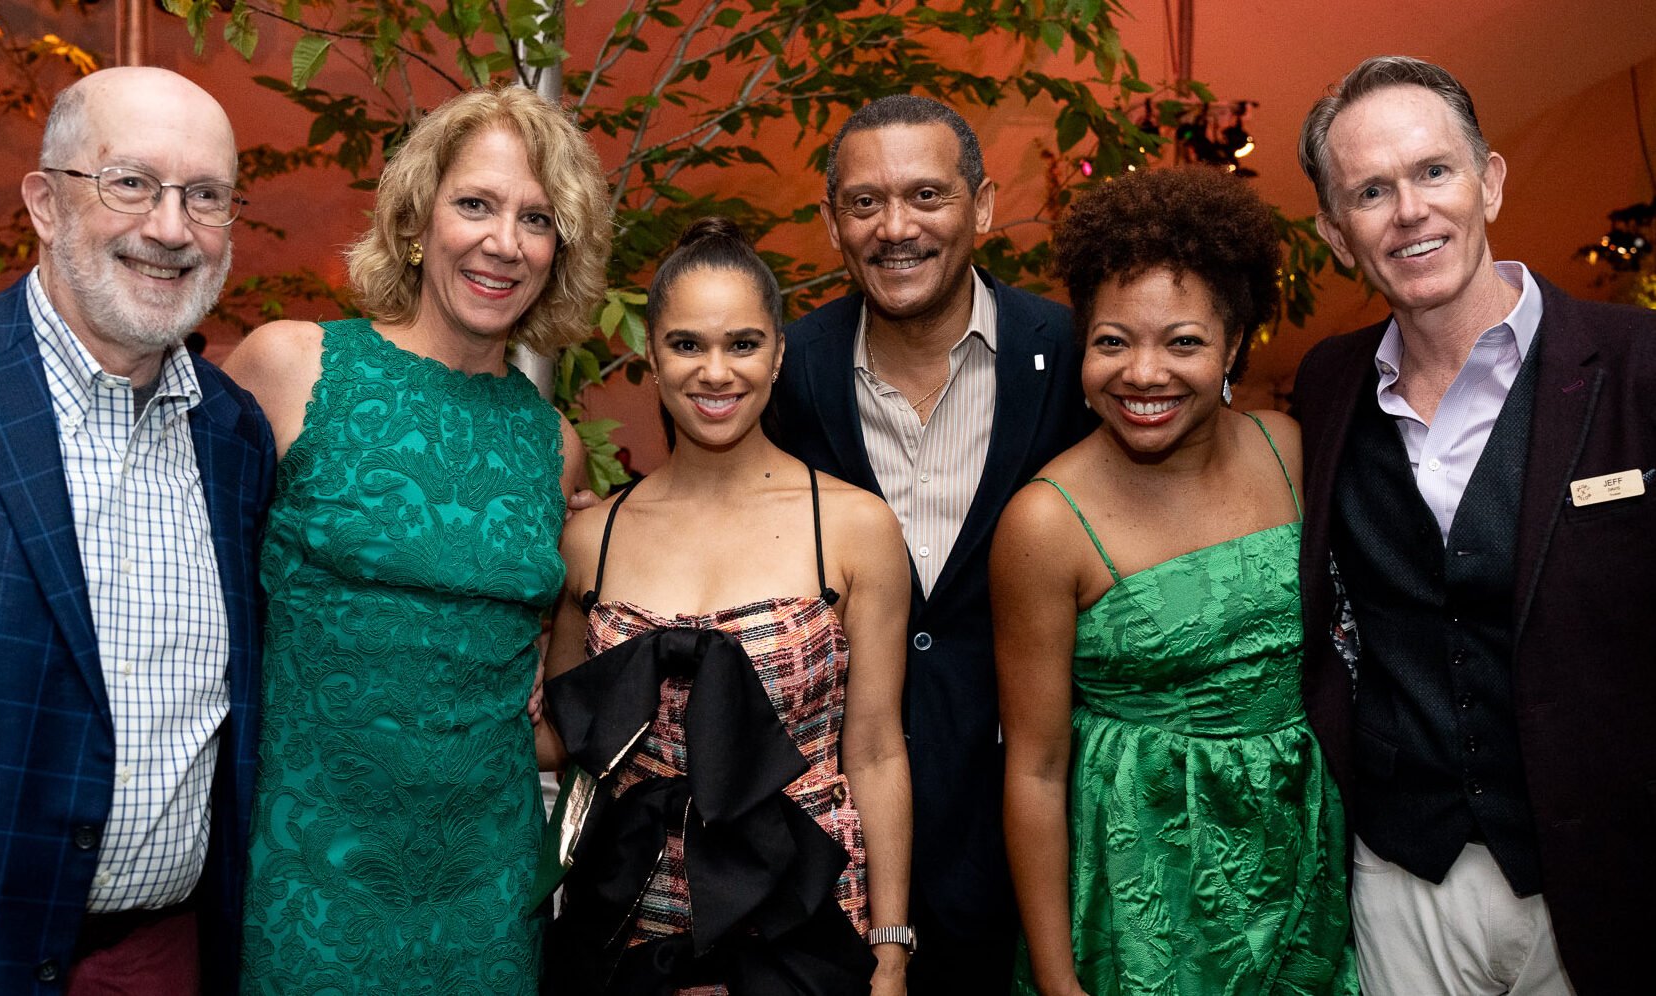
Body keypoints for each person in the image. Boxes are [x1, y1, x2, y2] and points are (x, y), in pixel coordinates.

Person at [0, 67, 274, 993]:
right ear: (45, 204)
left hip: (162, 960)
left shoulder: (233, 438)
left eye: (205, 197)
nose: (171, 229)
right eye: (130, 182)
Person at [224, 85, 609, 993]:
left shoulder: (551, 446)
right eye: (474, 203)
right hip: (303, 872)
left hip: (485, 887)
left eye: (536, 219)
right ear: (414, 219)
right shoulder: (289, 367)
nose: (502, 242)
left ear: (560, 253)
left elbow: (560, 690)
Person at [1292, 55, 1656, 996]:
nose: (1409, 210)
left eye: (1433, 171)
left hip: (1605, 877)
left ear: (1488, 179)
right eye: (1370, 191)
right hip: (1401, 880)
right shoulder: (1326, 390)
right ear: (1337, 234)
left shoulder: (1637, 367)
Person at [993, 166, 1356, 996]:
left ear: (1234, 345)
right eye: (1112, 341)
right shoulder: (1044, 523)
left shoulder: (1287, 448)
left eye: (1182, 342)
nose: (1142, 373)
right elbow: (1035, 770)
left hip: (1300, 854)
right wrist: (1056, 980)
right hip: (1141, 883)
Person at [767, 94, 1098, 992]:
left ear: (981, 206)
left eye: (926, 196)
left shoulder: (1071, 356)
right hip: (831, 841)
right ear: (832, 220)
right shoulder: (782, 370)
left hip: (1025, 829)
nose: (895, 228)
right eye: (865, 203)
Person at [541, 217, 914, 994]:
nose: (715, 372)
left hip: (805, 922)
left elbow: (875, 750)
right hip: (629, 924)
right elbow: (555, 738)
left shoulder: (853, 526)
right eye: (687, 345)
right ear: (650, 355)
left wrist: (890, 948)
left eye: (742, 344)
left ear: (778, 353)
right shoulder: (592, 538)